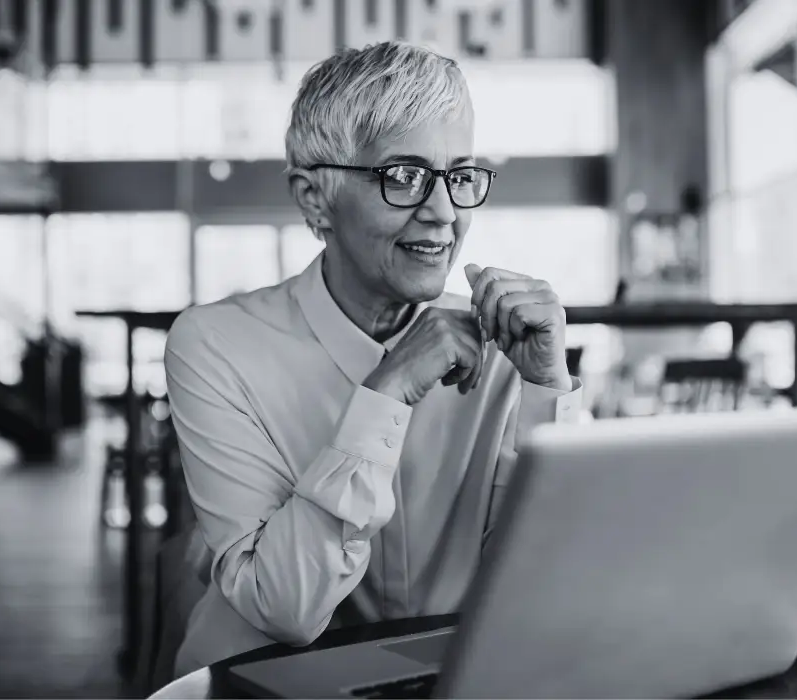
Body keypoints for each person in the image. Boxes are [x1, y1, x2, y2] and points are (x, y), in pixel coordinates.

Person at [164, 40, 583, 676]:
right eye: (403, 176)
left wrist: (547, 389)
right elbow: (286, 607)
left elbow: (548, 584)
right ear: (315, 199)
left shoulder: (506, 344)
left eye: (459, 176)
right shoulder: (214, 346)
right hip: (263, 681)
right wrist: (385, 394)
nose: (443, 213)